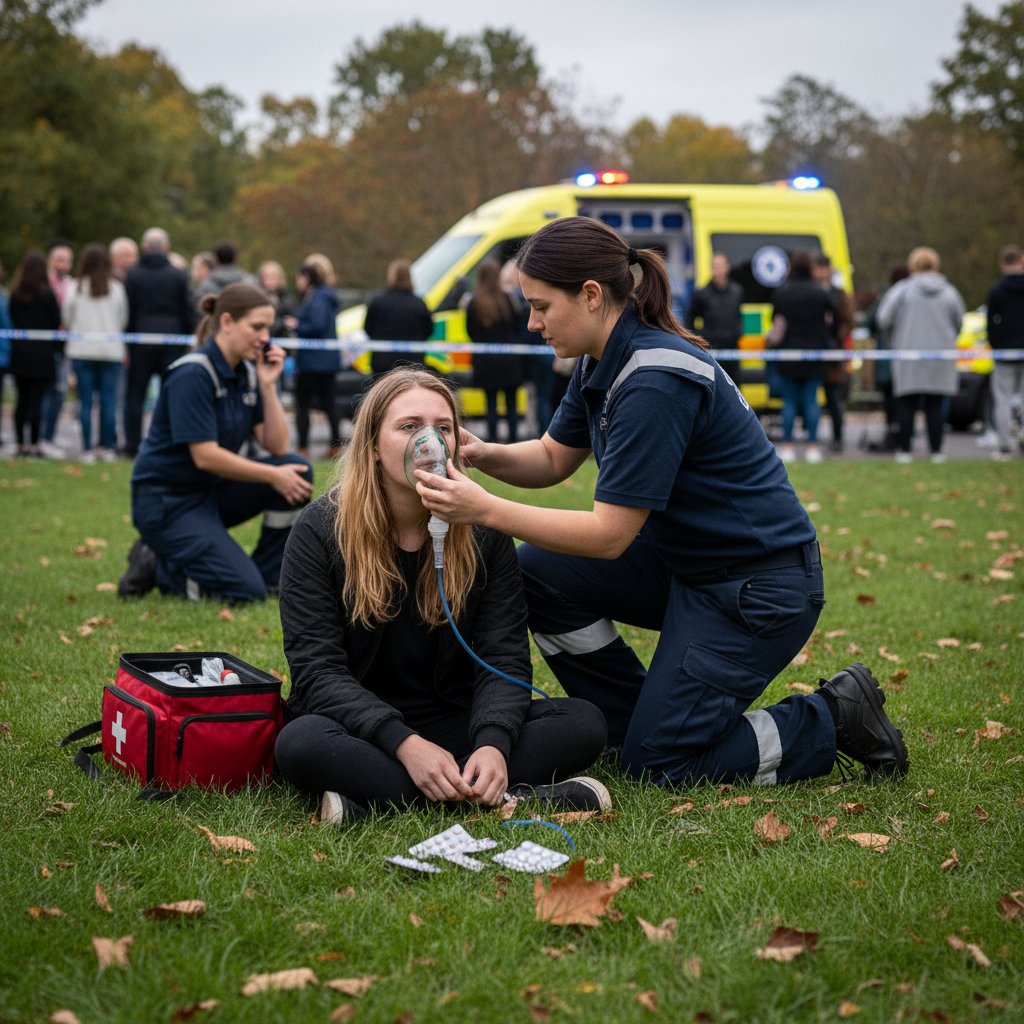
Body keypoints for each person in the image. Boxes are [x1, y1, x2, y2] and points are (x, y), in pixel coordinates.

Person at [414, 216, 908, 789]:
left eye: (542, 305)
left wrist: (483, 509)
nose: (532, 321)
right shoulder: (603, 357)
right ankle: (630, 723)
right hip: (693, 568)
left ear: (592, 296)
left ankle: (832, 715)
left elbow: (609, 535)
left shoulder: (652, 378)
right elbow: (552, 457)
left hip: (757, 591)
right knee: (538, 573)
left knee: (663, 766)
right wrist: (480, 453)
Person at [274, 367, 610, 822]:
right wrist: (405, 744)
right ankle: (506, 798)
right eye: (409, 426)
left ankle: (373, 801)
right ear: (373, 445)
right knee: (300, 743)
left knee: (584, 724)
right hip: (361, 728)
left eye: (443, 427)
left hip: (456, 720)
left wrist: (492, 743)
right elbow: (317, 671)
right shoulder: (320, 531)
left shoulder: (484, 533)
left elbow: (505, 656)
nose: (428, 440)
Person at [119, 283, 313, 603]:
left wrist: (267, 385)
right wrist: (272, 475)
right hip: (167, 504)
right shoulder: (193, 374)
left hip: (208, 493)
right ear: (226, 322)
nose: (266, 337)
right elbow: (205, 457)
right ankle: (156, 565)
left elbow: (277, 447)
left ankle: (268, 574)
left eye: (268, 328)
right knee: (242, 592)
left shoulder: (247, 373)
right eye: (257, 327)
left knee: (297, 470)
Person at [877, 247, 965, 464]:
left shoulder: (901, 291)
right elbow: (959, 321)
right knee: (935, 405)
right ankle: (936, 451)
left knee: (906, 404)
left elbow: (883, 320)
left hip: (907, 355)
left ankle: (905, 451)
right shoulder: (950, 292)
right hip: (940, 358)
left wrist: (894, 340)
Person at [122, 228, 196, 457]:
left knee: (135, 395)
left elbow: (128, 312)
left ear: (143, 248)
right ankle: (171, 443)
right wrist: (185, 339)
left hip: (140, 340)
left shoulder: (132, 275)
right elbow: (188, 311)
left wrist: (129, 339)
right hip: (172, 341)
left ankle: (132, 444)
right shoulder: (179, 275)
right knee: (172, 395)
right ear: (167, 247)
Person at [768, 251, 841, 463]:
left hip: (788, 352)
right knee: (811, 400)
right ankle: (812, 446)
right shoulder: (821, 293)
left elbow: (776, 321)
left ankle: (788, 446)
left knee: (789, 401)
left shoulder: (782, 293)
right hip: (815, 354)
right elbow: (835, 320)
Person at [62, 244, 128, 462]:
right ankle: (107, 447)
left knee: (86, 402)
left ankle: (87, 448)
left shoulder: (75, 287)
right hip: (110, 351)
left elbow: (67, 317)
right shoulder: (116, 288)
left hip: (82, 350)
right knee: (109, 401)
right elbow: (123, 318)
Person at [8, 250, 63, 458]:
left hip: (20, 353)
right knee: (36, 401)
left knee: (21, 400)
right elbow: (55, 320)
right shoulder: (47, 294)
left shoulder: (15, 294)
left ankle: (21, 443)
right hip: (42, 354)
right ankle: (33, 443)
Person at [285, 262, 342, 458]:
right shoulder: (323, 296)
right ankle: (335, 444)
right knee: (328, 404)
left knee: (304, 404)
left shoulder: (318, 297)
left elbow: (317, 325)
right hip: (323, 361)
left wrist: (297, 325)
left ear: (307, 278)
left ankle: (304, 446)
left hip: (313, 362)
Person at [467, 259, 526, 443]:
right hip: (509, 361)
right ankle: (514, 441)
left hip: (486, 362)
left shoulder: (474, 302)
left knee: (490, 405)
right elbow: (518, 326)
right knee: (511, 405)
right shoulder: (509, 299)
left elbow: (471, 331)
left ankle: (491, 442)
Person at [502, 259, 559, 437]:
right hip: (547, 353)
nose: (532, 324)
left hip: (537, 354)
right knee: (546, 397)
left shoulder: (519, 301)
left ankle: (544, 434)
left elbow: (526, 332)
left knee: (540, 398)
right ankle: (548, 433)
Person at [864, 263, 910, 453]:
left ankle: (894, 436)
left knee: (891, 402)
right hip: (908, 361)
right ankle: (903, 437)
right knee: (906, 403)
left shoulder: (888, 297)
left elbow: (873, 323)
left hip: (888, 359)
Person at [812, 252, 855, 453]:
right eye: (816, 268)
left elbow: (848, 321)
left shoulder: (839, 294)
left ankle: (838, 438)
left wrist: (836, 338)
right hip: (812, 352)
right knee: (809, 399)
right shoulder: (809, 292)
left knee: (833, 400)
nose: (820, 272)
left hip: (833, 355)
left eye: (823, 268)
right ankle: (812, 439)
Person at [985, 244, 1024, 460]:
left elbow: (991, 323)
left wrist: (996, 344)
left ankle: (1004, 446)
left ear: (1003, 264)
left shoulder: (997, 290)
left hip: (1005, 350)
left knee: (1003, 399)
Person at [364, 259, 433, 377]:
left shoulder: (378, 301)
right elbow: (428, 329)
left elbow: (368, 328)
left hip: (383, 363)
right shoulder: (419, 303)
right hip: (412, 363)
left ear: (391, 276)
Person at [38, 241, 74, 458]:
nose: (63, 264)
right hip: (46, 346)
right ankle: (42, 436)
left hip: (65, 345)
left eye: (67, 260)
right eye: (59, 259)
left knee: (59, 393)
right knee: (47, 392)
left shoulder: (72, 284)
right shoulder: (43, 284)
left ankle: (49, 435)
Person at [686, 252, 743, 388]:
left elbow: (738, 316)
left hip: (732, 347)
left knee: (734, 386)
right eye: (715, 266)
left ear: (727, 268)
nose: (718, 270)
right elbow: (690, 319)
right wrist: (702, 337)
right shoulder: (702, 293)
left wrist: (737, 332)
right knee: (714, 386)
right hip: (712, 348)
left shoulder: (737, 291)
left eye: (721, 266)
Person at [257, 260, 294, 339]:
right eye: (266, 277)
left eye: (273, 277)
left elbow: (291, 317)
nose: (270, 281)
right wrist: (282, 324)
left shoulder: (286, 297)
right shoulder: (257, 298)